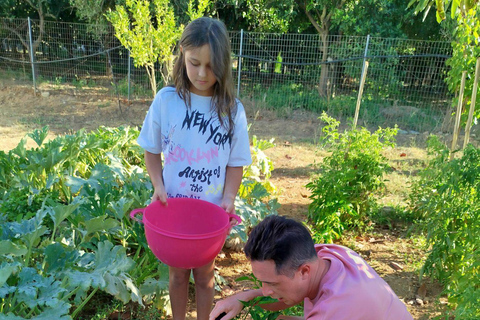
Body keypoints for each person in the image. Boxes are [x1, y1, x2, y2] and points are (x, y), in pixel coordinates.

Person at [137, 17, 252, 320]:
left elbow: (236, 162)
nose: (202, 73)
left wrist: (229, 197)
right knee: (177, 277)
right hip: (174, 209)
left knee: (205, 277)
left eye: (211, 66)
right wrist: (158, 186)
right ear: (182, 55)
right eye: (194, 63)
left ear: (225, 64)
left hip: (210, 214)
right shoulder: (167, 101)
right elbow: (151, 148)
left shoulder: (232, 110)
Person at [209, 215, 413, 320]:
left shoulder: (337, 309)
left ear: (304, 271)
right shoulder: (327, 254)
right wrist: (245, 298)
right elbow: (284, 297)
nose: (265, 290)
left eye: (272, 283)